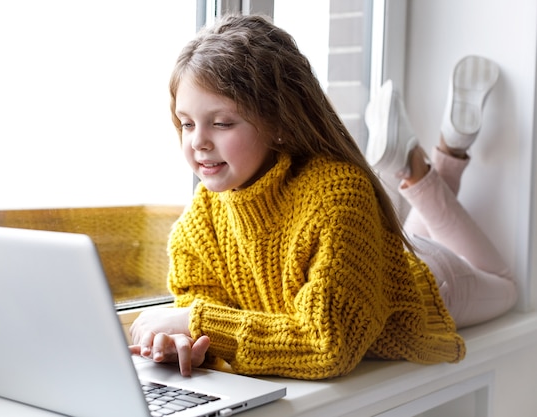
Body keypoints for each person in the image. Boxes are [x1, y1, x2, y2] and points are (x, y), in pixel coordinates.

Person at [129, 14, 517, 380]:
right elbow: (205, 313)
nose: (197, 141)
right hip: (369, 251)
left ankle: (426, 161)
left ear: (279, 123)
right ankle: (429, 156)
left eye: (222, 123)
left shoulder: (339, 194)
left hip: (426, 282)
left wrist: (194, 321)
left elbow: (328, 345)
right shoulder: (201, 221)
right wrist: (185, 342)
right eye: (187, 123)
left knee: (506, 286)